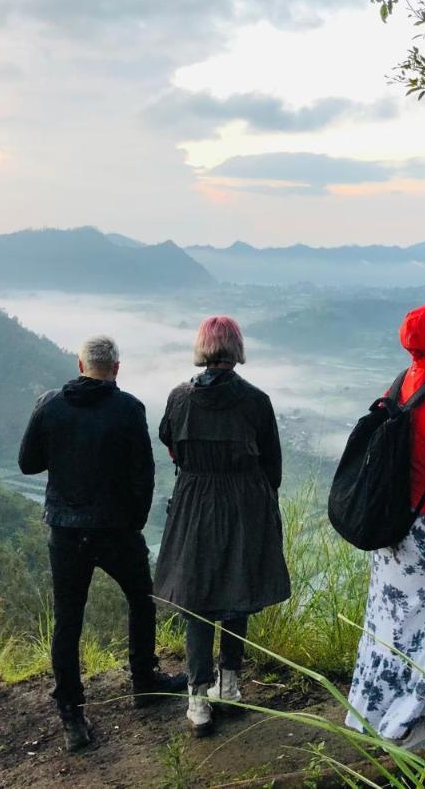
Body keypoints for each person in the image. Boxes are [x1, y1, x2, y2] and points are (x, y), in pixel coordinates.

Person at [18, 335, 185, 753]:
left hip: (66, 531)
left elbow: (28, 462)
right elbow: (142, 472)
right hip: (116, 528)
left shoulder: (50, 406)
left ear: (80, 366)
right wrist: (136, 521)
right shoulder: (128, 408)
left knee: (68, 618)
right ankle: (144, 682)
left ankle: (72, 716)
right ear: (116, 368)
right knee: (141, 598)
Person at [154, 315, 292, 737]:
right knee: (238, 589)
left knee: (198, 598)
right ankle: (229, 684)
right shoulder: (255, 400)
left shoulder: (179, 398)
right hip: (244, 503)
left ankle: (197, 700)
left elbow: (168, 438)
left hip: (194, 502)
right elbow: (273, 465)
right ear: (236, 348)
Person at [345, 301, 425, 750]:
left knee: (389, 616)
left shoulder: (406, 378)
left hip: (393, 521)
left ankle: (372, 710)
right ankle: (411, 722)